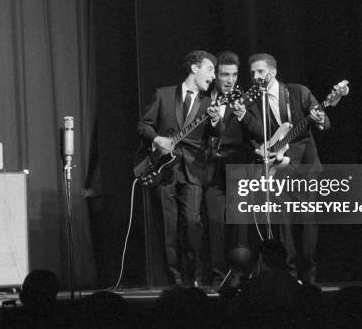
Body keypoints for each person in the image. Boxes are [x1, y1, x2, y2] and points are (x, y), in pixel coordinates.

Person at [244, 53, 330, 285]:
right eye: (252, 73)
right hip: (278, 166)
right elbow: (253, 134)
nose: (255, 77)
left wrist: (319, 118)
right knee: (283, 221)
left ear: (272, 73)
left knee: (307, 219)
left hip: (305, 165)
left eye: (259, 72)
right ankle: (289, 274)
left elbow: (324, 120)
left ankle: (308, 274)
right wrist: (259, 149)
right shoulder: (253, 101)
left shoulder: (298, 92)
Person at [138, 50, 221, 287]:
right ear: (194, 68)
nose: (213, 76)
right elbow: (143, 125)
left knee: (193, 223)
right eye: (210, 69)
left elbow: (217, 133)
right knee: (169, 225)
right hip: (164, 170)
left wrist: (215, 120)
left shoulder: (208, 103)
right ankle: (172, 280)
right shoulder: (163, 95)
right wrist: (157, 140)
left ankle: (192, 279)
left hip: (193, 170)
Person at [202, 51, 256, 288]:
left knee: (239, 223)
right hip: (212, 168)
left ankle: (239, 275)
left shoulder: (246, 99)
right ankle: (217, 275)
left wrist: (244, 116)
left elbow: (259, 133)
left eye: (234, 75)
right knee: (215, 222)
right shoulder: (203, 99)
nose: (230, 79)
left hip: (238, 166)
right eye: (225, 74)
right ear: (215, 75)